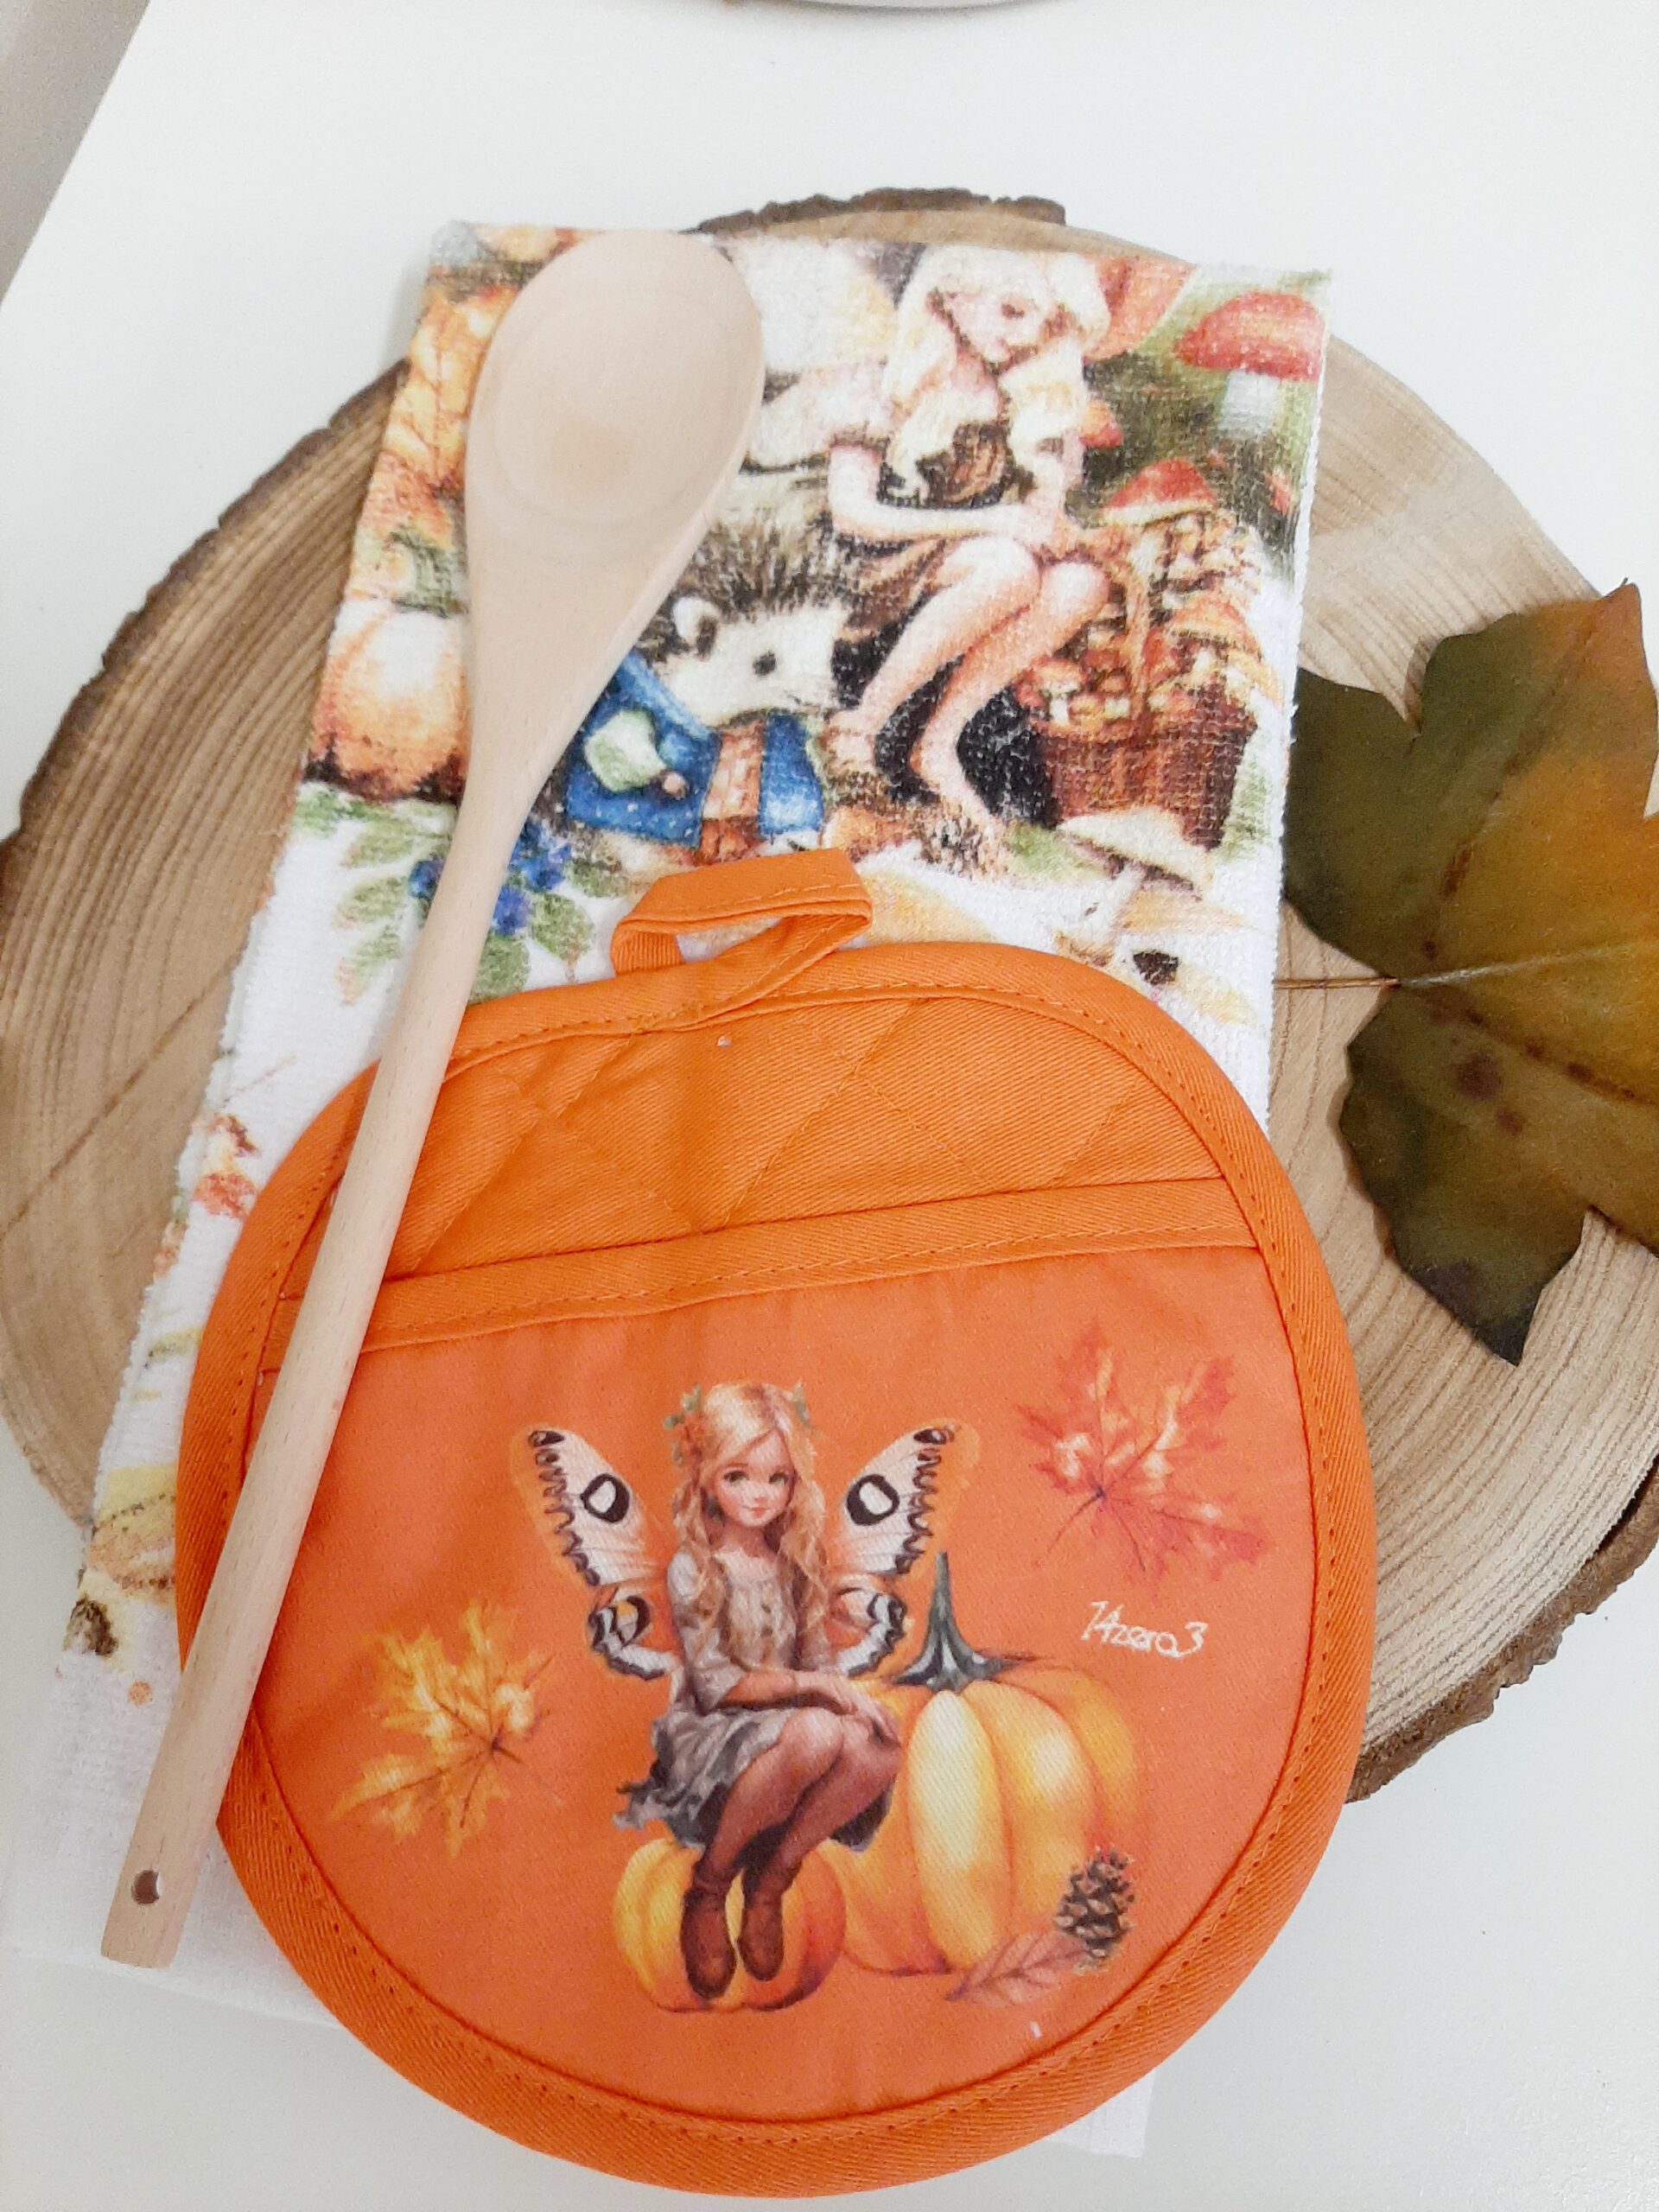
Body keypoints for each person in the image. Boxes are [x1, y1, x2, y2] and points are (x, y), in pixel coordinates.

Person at [816, 245, 1123, 846]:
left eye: (1044, 323)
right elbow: (851, 517)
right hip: (873, 570)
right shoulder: (886, 376)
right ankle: (860, 724)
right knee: (1009, 567)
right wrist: (995, 521)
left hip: (966, 572)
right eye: (1013, 311)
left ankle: (937, 743)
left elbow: (1037, 523)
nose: (1027, 335)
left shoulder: (1017, 398)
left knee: (1080, 582)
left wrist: (1050, 508)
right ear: (953, 294)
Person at [620, 1382, 900, 2000]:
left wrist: (851, 1699)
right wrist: (817, 1690)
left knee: (881, 1747)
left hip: (794, 1724)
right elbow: (718, 1685)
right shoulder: (696, 1568)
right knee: (819, 1731)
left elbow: (819, 1661)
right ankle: (711, 1883)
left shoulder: (794, 1564)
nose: (758, 1494)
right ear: (708, 1479)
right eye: (739, 1477)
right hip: (716, 1731)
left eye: (777, 1479)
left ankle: (771, 1878)